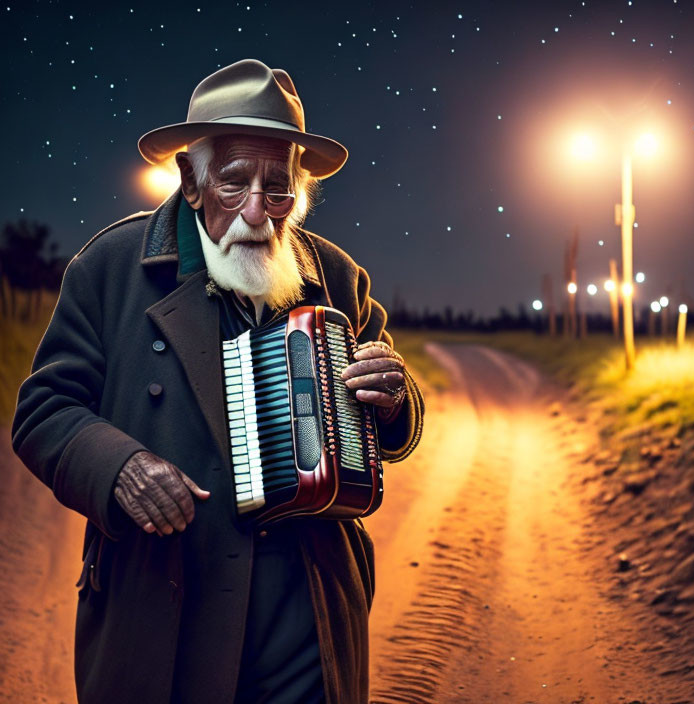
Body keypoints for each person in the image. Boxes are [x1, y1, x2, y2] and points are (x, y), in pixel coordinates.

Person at [11, 58, 424, 703]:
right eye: (234, 183)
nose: (258, 210)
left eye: (278, 187)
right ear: (192, 181)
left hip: (305, 613)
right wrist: (118, 467)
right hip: (165, 605)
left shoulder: (338, 277)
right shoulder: (111, 269)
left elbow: (392, 420)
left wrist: (395, 399)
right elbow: (43, 411)